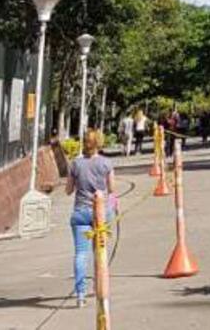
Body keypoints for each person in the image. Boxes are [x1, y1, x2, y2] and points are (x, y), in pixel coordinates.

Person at [65, 129, 115, 308]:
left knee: (80, 254)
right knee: (99, 251)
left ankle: (80, 294)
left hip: (80, 212)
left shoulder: (75, 164)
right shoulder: (106, 163)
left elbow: (68, 190)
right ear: (99, 143)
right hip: (101, 213)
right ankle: (99, 286)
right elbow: (112, 188)